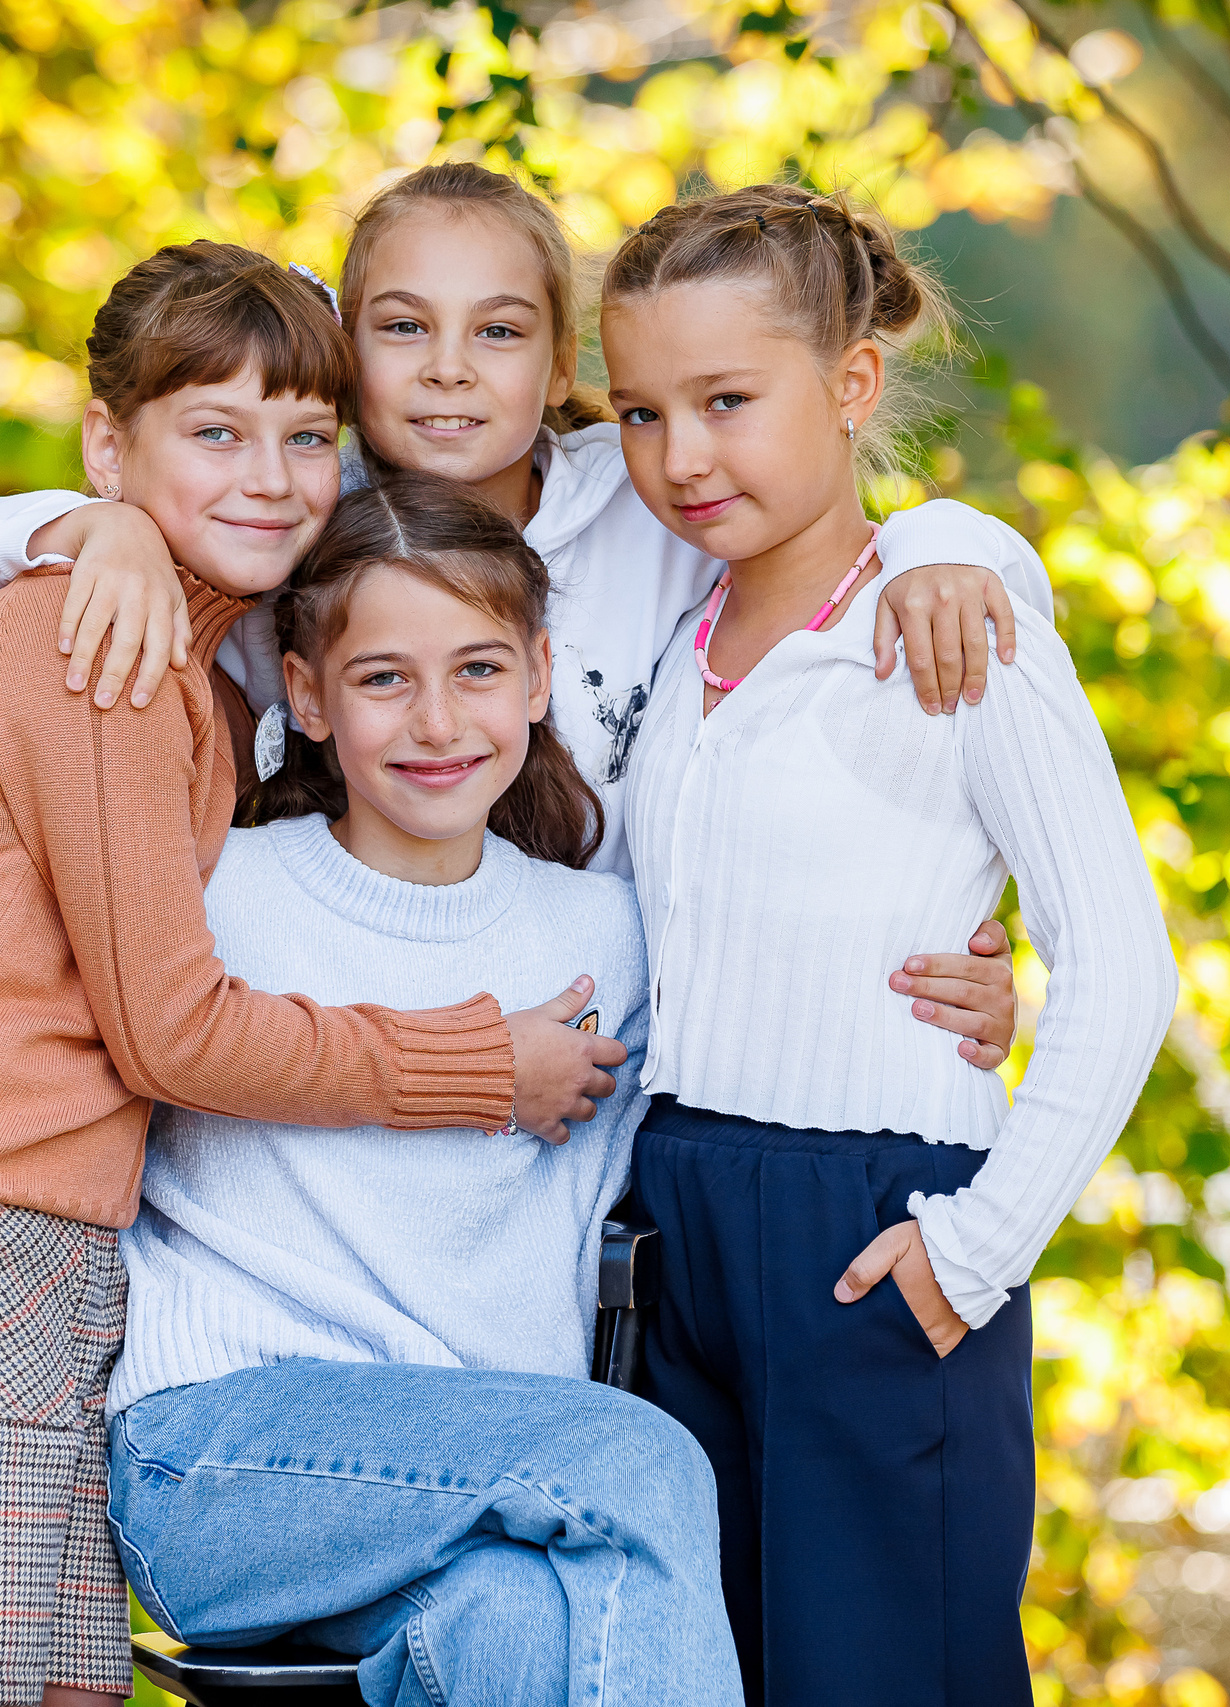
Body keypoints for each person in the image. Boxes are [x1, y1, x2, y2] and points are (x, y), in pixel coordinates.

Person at [0, 243, 625, 1707]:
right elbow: (171, 1030)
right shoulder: (105, 642)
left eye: (307, 438)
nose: (271, 476)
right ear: (107, 445)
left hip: (44, 1239)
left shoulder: (207, 676)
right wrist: (482, 1063)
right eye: (216, 432)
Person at [0, 163, 1029, 1065]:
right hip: (342, 1009)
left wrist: (943, 536)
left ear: (557, 370)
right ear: (345, 354)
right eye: (400, 329)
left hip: (638, 1026)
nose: (446, 368)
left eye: (497, 331)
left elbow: (813, 529)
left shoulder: (645, 504)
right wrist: (85, 527)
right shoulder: (299, 525)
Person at [598, 184, 1178, 1705]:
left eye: (729, 400)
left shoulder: (955, 627)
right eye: (643, 412)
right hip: (673, 1216)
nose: (681, 455)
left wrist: (977, 1246)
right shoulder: (675, 631)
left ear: (853, 386)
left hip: (872, 1230)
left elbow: (1120, 963)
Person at [109, 470, 739, 1707]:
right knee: (640, 1462)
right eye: (385, 678)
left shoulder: (608, 935)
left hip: (487, 1488)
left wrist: (967, 980)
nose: (439, 721)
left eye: (479, 670)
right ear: (306, 695)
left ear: (540, 677)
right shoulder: (217, 888)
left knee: (509, 1620)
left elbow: (788, 1008)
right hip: (219, 1464)